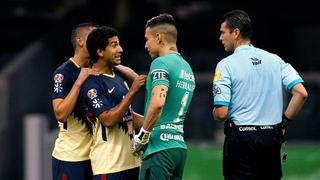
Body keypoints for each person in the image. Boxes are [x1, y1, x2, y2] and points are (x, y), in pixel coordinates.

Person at [212, 9, 308, 180]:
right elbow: (301, 93)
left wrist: (214, 113)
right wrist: (284, 123)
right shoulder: (275, 60)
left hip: (241, 140)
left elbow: (221, 114)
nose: (220, 38)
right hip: (271, 138)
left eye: (222, 32)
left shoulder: (225, 65)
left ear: (236, 33)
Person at [51, 23, 139, 180]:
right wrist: (79, 82)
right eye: (92, 36)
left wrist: (113, 63)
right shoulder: (64, 72)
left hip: (95, 155)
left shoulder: (98, 67)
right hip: (72, 156)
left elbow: (135, 78)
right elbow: (60, 114)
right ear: (80, 41)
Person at [132, 14, 196, 180]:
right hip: (178, 148)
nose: (146, 45)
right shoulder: (187, 68)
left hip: (159, 148)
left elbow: (158, 103)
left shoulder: (160, 63)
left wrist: (142, 136)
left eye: (147, 39)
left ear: (158, 37)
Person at [81, 26, 146, 180]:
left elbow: (127, 116)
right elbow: (108, 120)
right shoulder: (92, 84)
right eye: (114, 45)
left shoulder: (118, 78)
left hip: (132, 162)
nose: (120, 49)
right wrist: (132, 92)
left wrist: (156, 124)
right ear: (100, 52)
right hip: (109, 166)